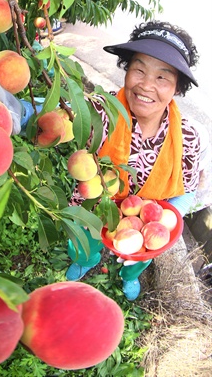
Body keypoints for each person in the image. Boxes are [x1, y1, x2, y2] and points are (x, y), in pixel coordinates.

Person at [66, 20, 202, 299]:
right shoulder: (100, 113)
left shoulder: (187, 137)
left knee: (138, 258)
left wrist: (163, 224)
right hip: (92, 205)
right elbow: (63, 118)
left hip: (145, 222)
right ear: (126, 71)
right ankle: (85, 260)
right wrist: (26, 112)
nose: (146, 85)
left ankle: (129, 276)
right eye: (138, 69)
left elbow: (187, 190)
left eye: (162, 77)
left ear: (177, 88)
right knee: (84, 241)